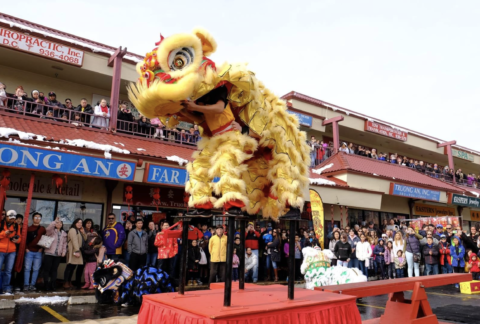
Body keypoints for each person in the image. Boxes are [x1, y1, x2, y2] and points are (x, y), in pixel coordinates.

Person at [43, 217, 67, 291]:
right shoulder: (52, 231)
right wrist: (54, 222)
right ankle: (46, 284)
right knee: (47, 269)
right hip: (49, 253)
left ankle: (53, 284)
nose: (59, 224)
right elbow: (48, 229)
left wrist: (64, 252)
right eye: (57, 223)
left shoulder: (64, 233)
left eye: (60, 223)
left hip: (57, 254)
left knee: (54, 270)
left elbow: (64, 244)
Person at [24, 212, 46, 291]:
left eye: (39, 218)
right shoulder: (28, 228)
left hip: (38, 252)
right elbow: (24, 239)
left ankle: (32, 284)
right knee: (27, 269)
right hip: (29, 251)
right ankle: (26, 284)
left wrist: (42, 248)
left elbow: (45, 239)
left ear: (41, 219)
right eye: (36, 217)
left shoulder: (42, 229)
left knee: (36, 269)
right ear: (33, 218)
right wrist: (26, 248)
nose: (37, 219)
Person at [0, 210, 22, 294]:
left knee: (8, 271)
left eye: (14, 218)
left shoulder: (16, 225)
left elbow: (20, 237)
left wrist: (17, 240)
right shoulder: (1, 224)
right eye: (11, 218)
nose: (12, 220)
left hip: (12, 250)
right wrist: (4, 233)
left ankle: (6, 287)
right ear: (7, 217)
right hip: (1, 249)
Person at [64, 219, 87, 290]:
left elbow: (85, 239)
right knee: (70, 267)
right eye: (78, 222)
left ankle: (69, 282)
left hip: (77, 250)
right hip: (73, 251)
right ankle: (66, 283)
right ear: (75, 223)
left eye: (81, 223)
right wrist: (77, 250)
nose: (80, 224)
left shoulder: (78, 230)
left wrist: (83, 232)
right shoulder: (73, 230)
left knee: (72, 267)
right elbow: (74, 240)